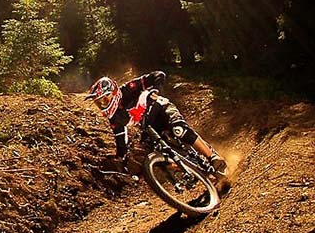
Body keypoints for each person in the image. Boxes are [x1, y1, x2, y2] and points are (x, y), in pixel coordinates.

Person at [84, 71, 231, 193]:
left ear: (113, 92)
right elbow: (120, 136)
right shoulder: (114, 117)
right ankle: (191, 170)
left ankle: (212, 157)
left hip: (162, 109)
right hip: (149, 127)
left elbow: (158, 75)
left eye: (103, 100)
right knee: (150, 156)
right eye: (98, 103)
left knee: (179, 130)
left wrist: (155, 89)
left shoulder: (128, 89)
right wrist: (121, 157)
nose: (102, 105)